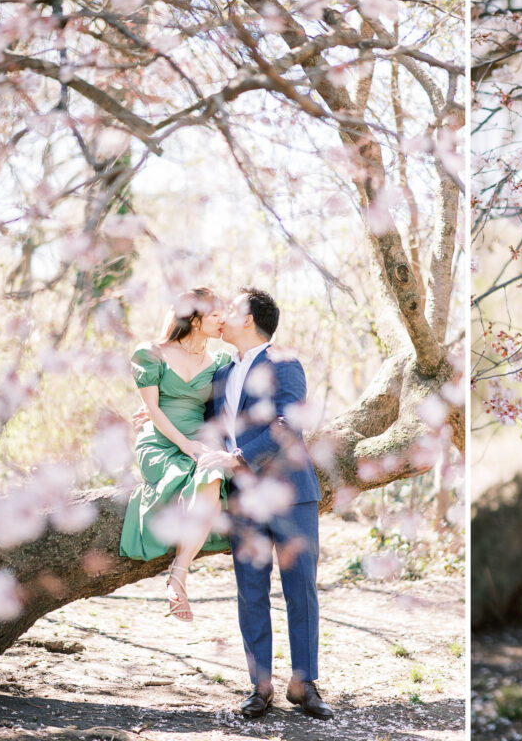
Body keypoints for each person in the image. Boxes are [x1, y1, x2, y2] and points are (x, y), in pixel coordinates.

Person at [194, 287, 332, 721]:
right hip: (243, 501)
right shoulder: (220, 374)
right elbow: (204, 426)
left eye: (231, 309)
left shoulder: (284, 363)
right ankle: (260, 686)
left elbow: (289, 422)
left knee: (301, 591)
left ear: (250, 319)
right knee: (250, 591)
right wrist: (153, 417)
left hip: (291, 494)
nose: (222, 316)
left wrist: (239, 458)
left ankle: (304, 684)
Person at [119, 287, 233, 622]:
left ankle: (178, 576)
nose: (222, 320)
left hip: (200, 438)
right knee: (192, 472)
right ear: (195, 318)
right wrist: (186, 446)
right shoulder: (151, 353)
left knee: (211, 477)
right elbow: (152, 409)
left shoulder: (220, 362)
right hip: (160, 440)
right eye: (215, 314)